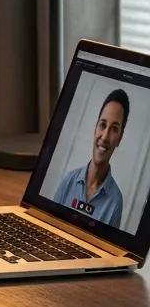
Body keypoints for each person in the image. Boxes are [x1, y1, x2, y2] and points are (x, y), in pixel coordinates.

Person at [52, 89, 128, 229]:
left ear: (120, 138)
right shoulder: (68, 180)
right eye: (103, 125)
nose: (105, 137)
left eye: (114, 129)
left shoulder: (116, 201)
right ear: (95, 128)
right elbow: (48, 225)